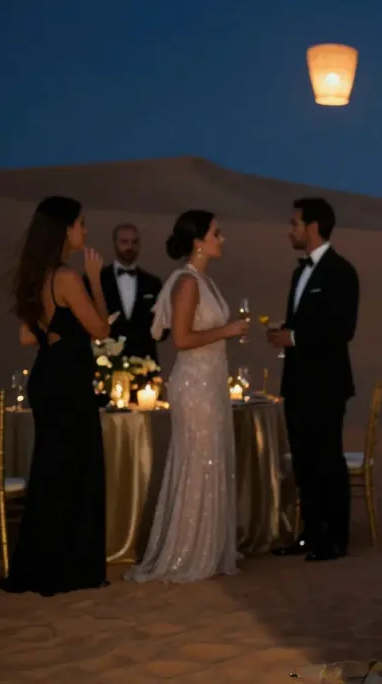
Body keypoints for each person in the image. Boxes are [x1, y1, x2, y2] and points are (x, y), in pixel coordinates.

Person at [0, 196, 111, 596]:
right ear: (65, 230)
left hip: (48, 378)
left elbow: (27, 337)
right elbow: (100, 330)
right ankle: (68, 566)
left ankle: (46, 561)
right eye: (81, 223)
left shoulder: (37, 275)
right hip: (67, 383)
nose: (85, 231)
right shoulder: (67, 278)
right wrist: (94, 278)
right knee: (76, 468)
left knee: (52, 468)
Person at [126, 211, 246, 583]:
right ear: (199, 241)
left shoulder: (203, 280)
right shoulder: (188, 283)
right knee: (198, 460)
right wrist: (227, 330)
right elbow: (180, 340)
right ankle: (186, 551)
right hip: (194, 385)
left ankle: (206, 548)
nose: (221, 239)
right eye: (216, 232)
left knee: (210, 459)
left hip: (210, 382)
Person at [268, 197, 360, 562]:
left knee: (327, 459)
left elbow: (342, 329)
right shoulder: (298, 272)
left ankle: (335, 539)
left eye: (294, 223)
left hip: (326, 383)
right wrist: (285, 333)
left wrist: (295, 338)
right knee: (304, 461)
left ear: (313, 226)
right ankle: (310, 533)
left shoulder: (342, 272)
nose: (290, 230)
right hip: (296, 381)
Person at [92, 223, 165, 365]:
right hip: (104, 362)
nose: (130, 247)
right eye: (124, 242)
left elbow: (161, 327)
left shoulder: (152, 283)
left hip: (144, 362)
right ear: (114, 243)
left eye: (135, 242)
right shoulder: (97, 280)